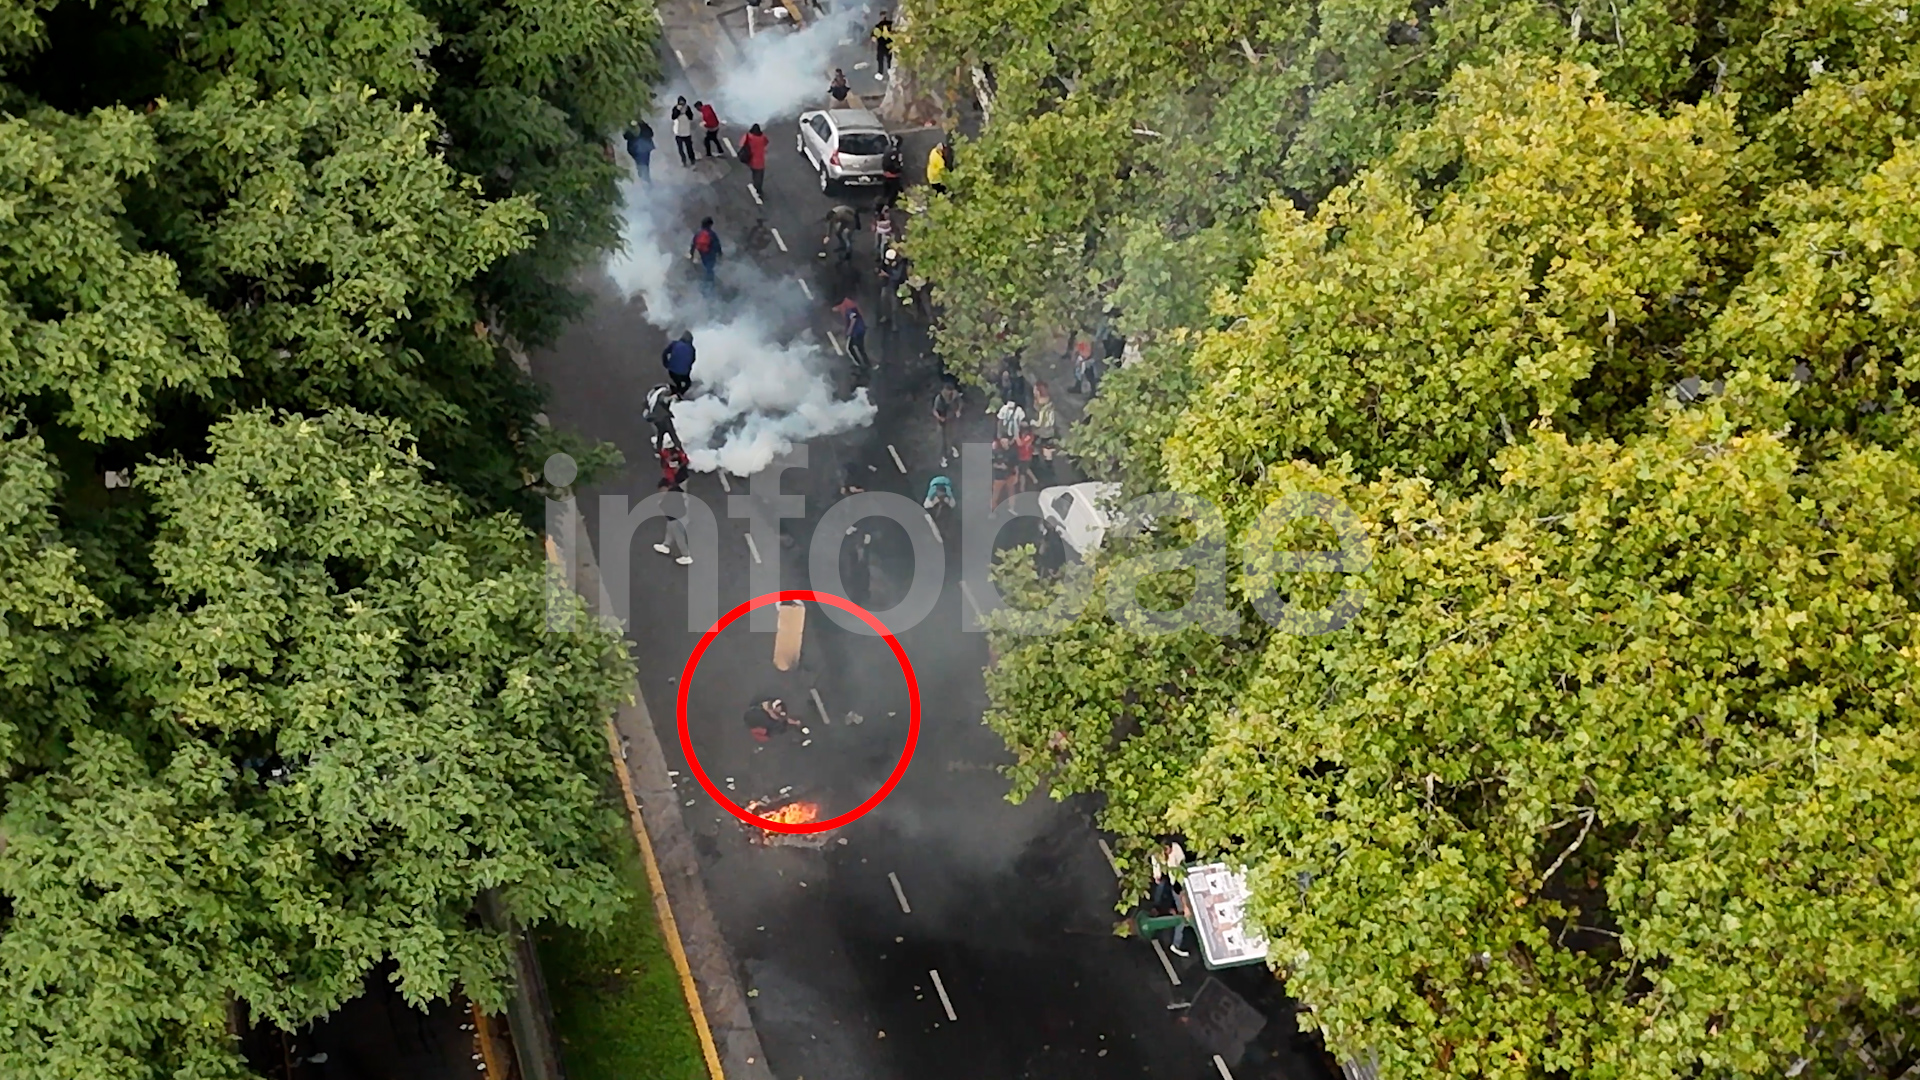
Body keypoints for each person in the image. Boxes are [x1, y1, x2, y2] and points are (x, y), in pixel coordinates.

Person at [1150, 837, 1191, 957]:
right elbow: (1156, 867)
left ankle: (1165, 910)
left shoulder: (1176, 849)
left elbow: (1181, 862)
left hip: (1177, 879)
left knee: (1179, 905)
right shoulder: (1157, 855)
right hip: (1172, 879)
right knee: (1181, 911)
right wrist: (1157, 874)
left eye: (1169, 850)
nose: (1167, 852)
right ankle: (1176, 943)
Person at [931, 377, 962, 465]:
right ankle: (942, 457)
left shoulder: (955, 395)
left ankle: (953, 448)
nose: (950, 393)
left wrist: (958, 410)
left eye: (951, 391)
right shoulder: (939, 398)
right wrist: (940, 418)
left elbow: (960, 403)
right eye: (948, 391)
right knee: (942, 439)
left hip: (951, 418)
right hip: (942, 419)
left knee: (953, 434)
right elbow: (935, 411)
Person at [838, 298, 871, 375]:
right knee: (859, 348)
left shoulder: (849, 309)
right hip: (858, 330)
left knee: (851, 347)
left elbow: (854, 318)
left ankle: (860, 364)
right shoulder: (848, 308)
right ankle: (864, 364)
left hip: (857, 331)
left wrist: (849, 330)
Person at [877, 246, 908, 327]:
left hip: (895, 286)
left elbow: (897, 276)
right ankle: (885, 316)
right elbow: (881, 267)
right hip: (886, 284)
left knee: (894, 305)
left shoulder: (900, 264)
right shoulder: (887, 260)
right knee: (883, 300)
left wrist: (886, 274)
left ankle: (895, 324)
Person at [689, 219, 722, 292]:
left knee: (705, 268)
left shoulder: (698, 234)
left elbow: (693, 245)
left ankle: (703, 285)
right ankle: (709, 287)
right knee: (709, 269)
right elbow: (717, 244)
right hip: (711, 254)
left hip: (702, 253)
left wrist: (691, 254)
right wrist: (719, 253)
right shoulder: (711, 233)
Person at [662, 330, 696, 396]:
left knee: (678, 383)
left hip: (672, 372)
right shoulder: (692, 349)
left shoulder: (674, 344)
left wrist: (666, 363)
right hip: (684, 374)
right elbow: (693, 361)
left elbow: (665, 353)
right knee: (688, 383)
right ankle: (678, 394)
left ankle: (674, 391)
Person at [646, 384, 680, 448]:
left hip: (656, 418)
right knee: (672, 433)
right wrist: (673, 397)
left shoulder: (653, 397)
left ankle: (659, 449)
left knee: (660, 434)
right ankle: (679, 447)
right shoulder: (663, 391)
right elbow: (663, 400)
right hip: (663, 417)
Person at [741, 123, 769, 196]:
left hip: (751, 160)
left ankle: (756, 185)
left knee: (754, 173)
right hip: (760, 161)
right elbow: (766, 142)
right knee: (760, 175)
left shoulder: (749, 136)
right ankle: (758, 188)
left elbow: (741, 144)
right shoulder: (762, 137)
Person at [670, 98, 696, 165]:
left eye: (683, 103)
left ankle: (692, 159)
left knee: (689, 147)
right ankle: (683, 160)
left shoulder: (687, 108)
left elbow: (691, 117)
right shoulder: (675, 108)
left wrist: (686, 111)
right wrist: (678, 110)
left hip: (687, 132)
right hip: (678, 133)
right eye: (680, 103)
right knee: (681, 149)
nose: (682, 105)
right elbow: (673, 117)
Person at [871, 13, 894, 78]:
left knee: (889, 57)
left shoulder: (890, 24)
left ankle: (889, 69)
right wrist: (874, 37)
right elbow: (874, 36)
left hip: (888, 42)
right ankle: (880, 72)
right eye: (882, 16)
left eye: (884, 15)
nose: (883, 17)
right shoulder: (878, 26)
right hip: (881, 43)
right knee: (880, 58)